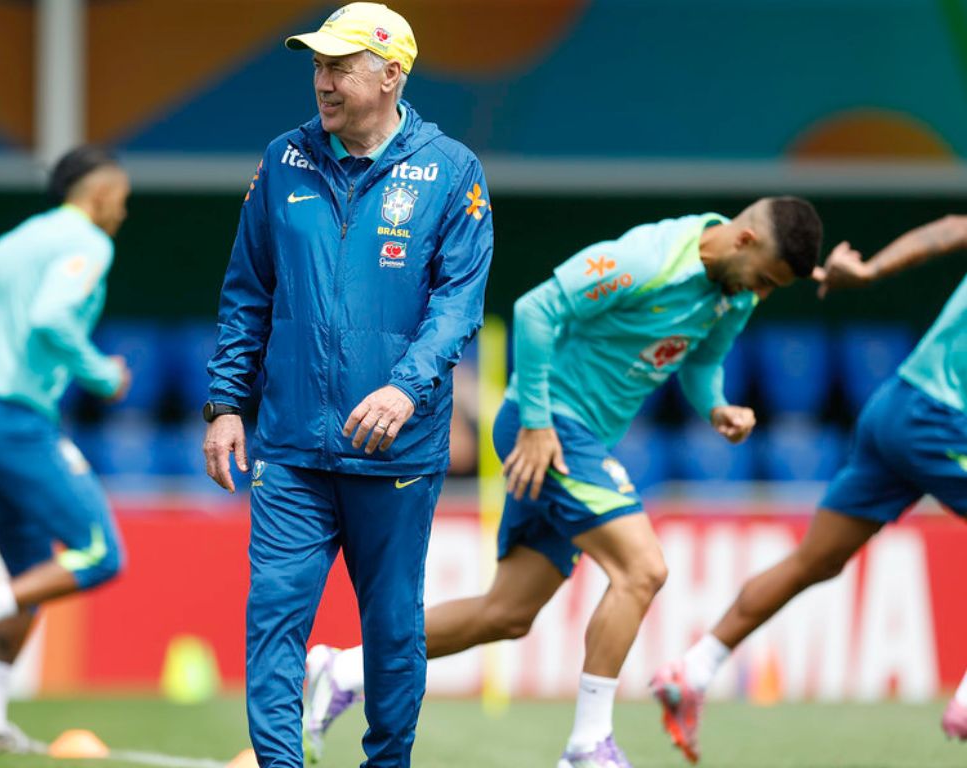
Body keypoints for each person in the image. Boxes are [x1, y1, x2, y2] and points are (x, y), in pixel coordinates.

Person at [306, 198, 825, 767]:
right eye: (768, 279)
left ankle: (345, 667)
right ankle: (587, 746)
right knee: (643, 569)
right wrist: (536, 422)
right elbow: (536, 309)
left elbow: (701, 364)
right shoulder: (648, 260)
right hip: (549, 424)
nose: (764, 293)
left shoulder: (735, 294)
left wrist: (718, 407)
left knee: (505, 614)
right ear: (744, 241)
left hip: (578, 439)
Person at [201, 4, 494, 766]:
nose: (322, 82)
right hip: (293, 445)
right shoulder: (283, 160)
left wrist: (406, 388)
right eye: (317, 66)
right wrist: (228, 402)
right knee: (273, 621)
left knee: (394, 629)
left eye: (340, 66)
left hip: (396, 450)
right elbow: (247, 291)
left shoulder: (452, 170)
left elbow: (459, 303)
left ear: (391, 74)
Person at [652, 214, 967, 763]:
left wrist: (869, 271)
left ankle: (695, 666)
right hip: (940, 416)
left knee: (815, 561)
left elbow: (952, 229)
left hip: (896, 404)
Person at [0, 146, 133, 756]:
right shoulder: (88, 242)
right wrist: (102, 375)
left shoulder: (18, 241)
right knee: (101, 553)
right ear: (99, 192)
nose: (124, 210)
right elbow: (52, 318)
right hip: (14, 418)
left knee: (31, 573)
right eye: (122, 197)